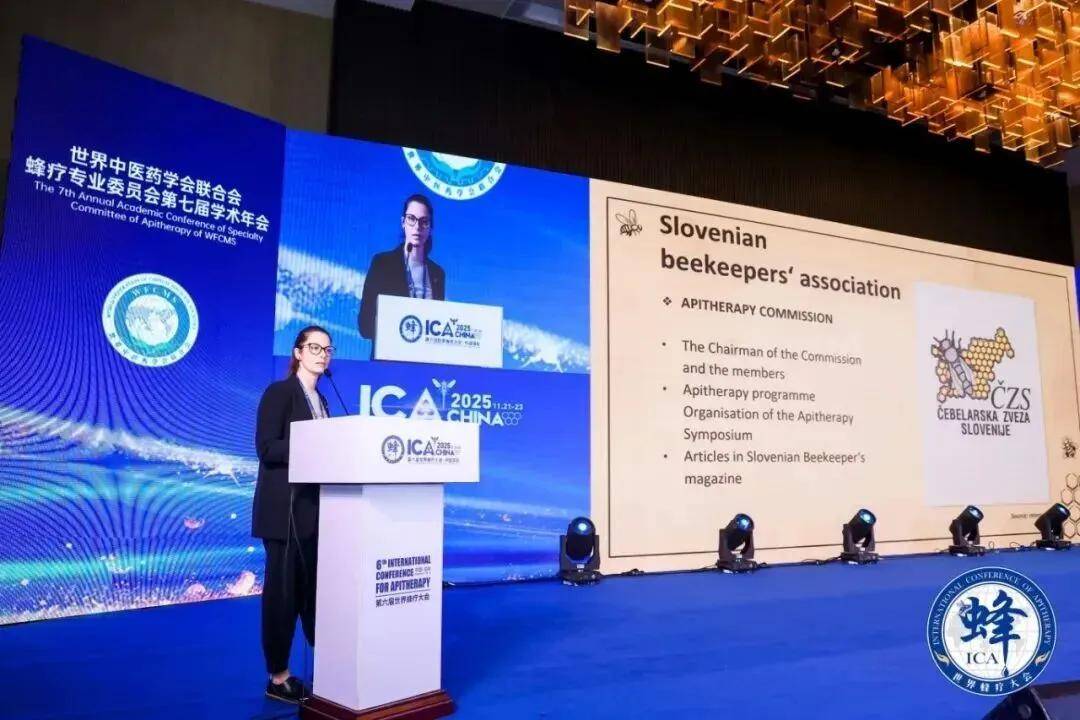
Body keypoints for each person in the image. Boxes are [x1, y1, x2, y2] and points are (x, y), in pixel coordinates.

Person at [252, 325, 334, 704]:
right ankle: (279, 677)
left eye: (327, 349)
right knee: (283, 599)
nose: (321, 354)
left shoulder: (323, 400)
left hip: (315, 515)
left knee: (314, 596)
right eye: (314, 347)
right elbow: (267, 448)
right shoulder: (280, 392)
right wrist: (314, 442)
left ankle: (331, 664)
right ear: (298, 352)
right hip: (284, 515)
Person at [358, 193, 447, 351]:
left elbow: (437, 328)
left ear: (430, 228)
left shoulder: (437, 274)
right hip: (389, 358)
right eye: (411, 219)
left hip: (425, 359)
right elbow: (365, 325)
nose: (417, 227)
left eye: (424, 222)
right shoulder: (382, 263)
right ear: (403, 222)